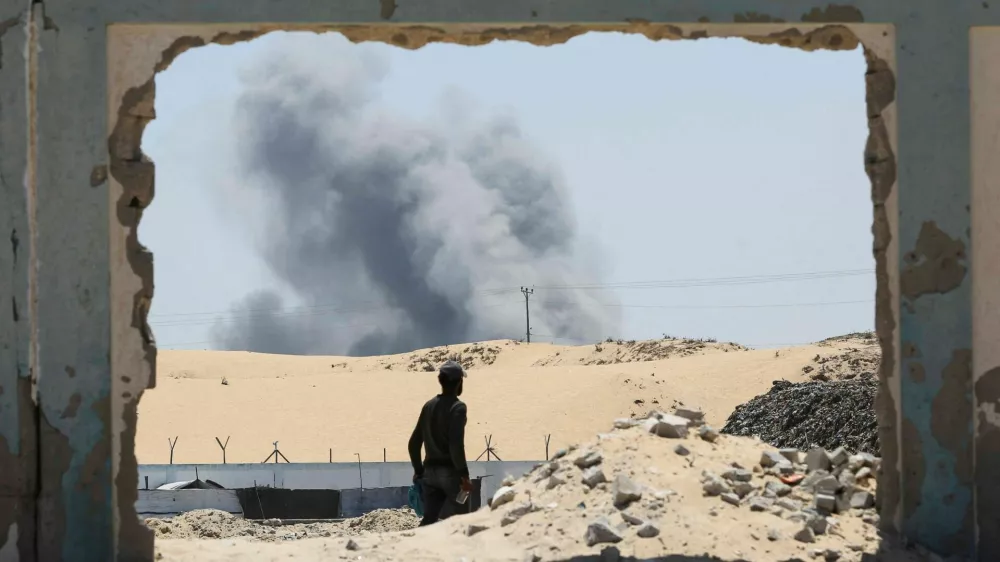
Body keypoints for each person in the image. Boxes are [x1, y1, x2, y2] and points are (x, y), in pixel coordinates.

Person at [407, 359, 473, 526]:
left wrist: (419, 471)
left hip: (429, 473)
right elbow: (455, 445)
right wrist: (464, 475)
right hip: (450, 473)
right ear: (460, 382)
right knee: (461, 521)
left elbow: (414, 443)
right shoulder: (458, 407)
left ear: (440, 381)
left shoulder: (428, 406)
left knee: (429, 519)